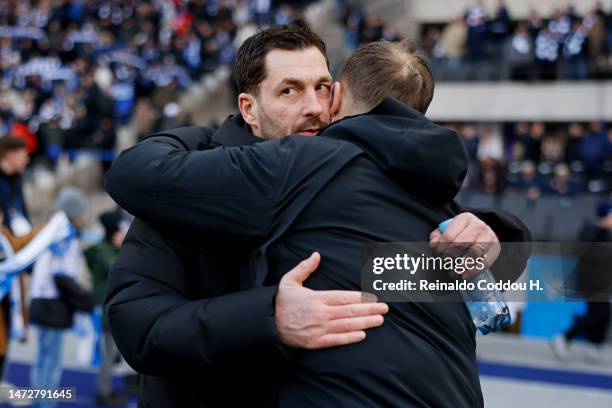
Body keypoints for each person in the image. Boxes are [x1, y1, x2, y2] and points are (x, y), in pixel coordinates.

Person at [106, 32, 530, 406]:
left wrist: (496, 239)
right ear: (249, 109)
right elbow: (139, 326)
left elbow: (425, 267)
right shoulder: (180, 196)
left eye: (322, 88)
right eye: (290, 91)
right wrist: (268, 317)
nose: (314, 107)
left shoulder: (353, 174)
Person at [29, 187, 95, 408]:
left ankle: (39, 401)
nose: (85, 217)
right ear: (73, 212)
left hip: (42, 301)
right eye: (82, 212)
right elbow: (62, 275)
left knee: (42, 358)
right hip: (51, 304)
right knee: (51, 361)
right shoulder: (64, 234)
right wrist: (85, 300)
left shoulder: (53, 229)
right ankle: (45, 404)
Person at [551, 200, 612, 362]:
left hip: (603, 282)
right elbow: (588, 254)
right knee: (598, 313)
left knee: (603, 313)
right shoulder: (591, 231)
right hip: (591, 281)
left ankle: (594, 345)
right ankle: (564, 337)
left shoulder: (606, 234)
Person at [84, 211, 130, 406]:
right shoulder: (106, 254)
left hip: (115, 310)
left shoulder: (111, 251)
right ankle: (103, 391)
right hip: (108, 313)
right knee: (108, 355)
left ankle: (108, 387)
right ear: (112, 234)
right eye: (121, 233)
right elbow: (124, 271)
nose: (124, 237)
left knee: (114, 353)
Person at [0, 136, 30, 379]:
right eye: (23, 153)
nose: (27, 158)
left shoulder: (17, 181)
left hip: (12, 264)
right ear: (9, 154)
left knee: (8, 326)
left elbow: (22, 216)